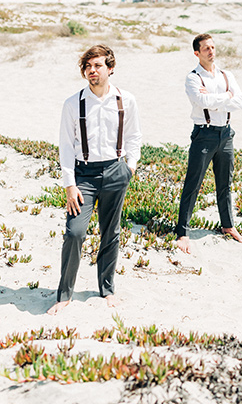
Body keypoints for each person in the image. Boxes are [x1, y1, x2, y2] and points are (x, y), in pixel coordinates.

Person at [48, 44, 141, 315]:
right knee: (74, 232)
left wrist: (130, 168)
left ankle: (107, 289)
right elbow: (65, 145)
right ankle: (64, 294)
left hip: (115, 171)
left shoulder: (126, 100)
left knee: (110, 233)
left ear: (110, 68)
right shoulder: (72, 103)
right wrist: (69, 184)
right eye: (88, 66)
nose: (92, 71)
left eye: (97, 65)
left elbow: (134, 136)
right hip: (83, 175)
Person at [174, 33, 242, 254]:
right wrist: (226, 97)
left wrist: (219, 99)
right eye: (206, 48)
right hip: (204, 135)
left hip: (226, 134)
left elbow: (240, 101)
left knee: (225, 183)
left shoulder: (227, 75)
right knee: (193, 183)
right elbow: (202, 101)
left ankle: (228, 225)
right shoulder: (193, 77)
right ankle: (182, 233)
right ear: (197, 53)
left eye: (213, 47)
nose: (211, 51)